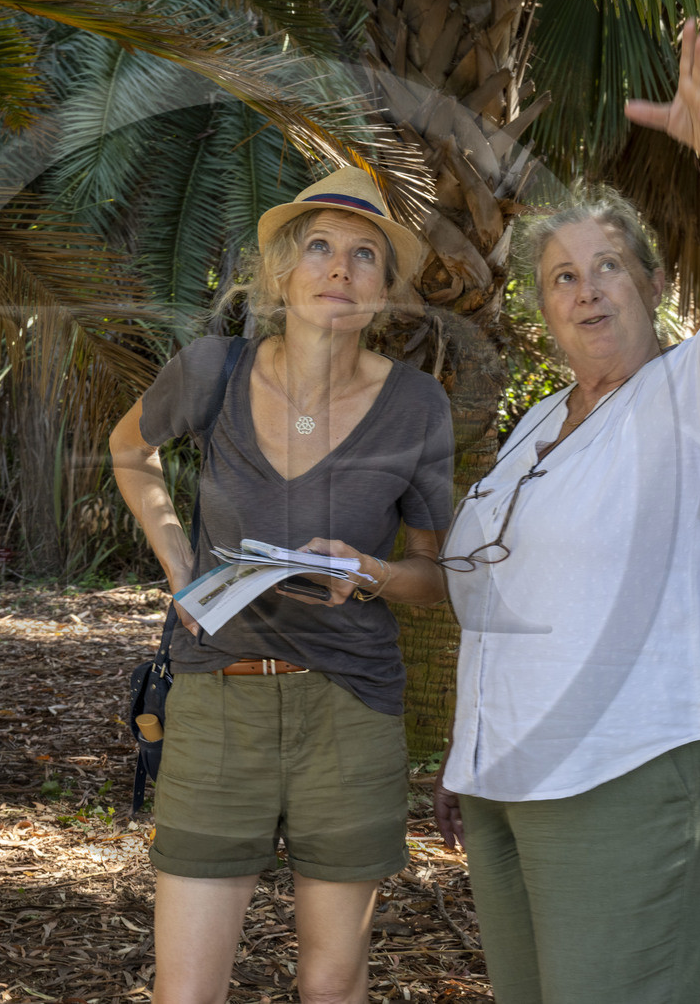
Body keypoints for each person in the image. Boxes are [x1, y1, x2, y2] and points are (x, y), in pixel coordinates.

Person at [432, 21, 700, 1004]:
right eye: (562, 277)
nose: (586, 291)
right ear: (544, 312)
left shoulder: (694, 396)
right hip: (510, 777)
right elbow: (497, 593)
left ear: (656, 284)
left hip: (634, 757)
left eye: (608, 268)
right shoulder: (534, 427)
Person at [110, 166, 454, 1004]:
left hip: (351, 706)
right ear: (281, 275)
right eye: (320, 248)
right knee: (185, 991)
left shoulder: (417, 406)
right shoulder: (212, 372)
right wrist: (179, 564)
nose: (340, 268)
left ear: (385, 290)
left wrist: (372, 574)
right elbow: (130, 451)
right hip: (215, 699)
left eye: (365, 255)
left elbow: (433, 575)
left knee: (331, 985)